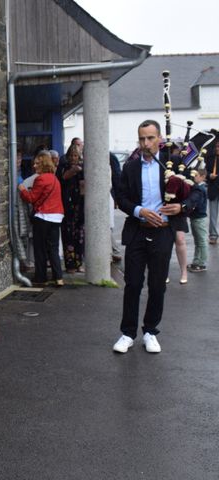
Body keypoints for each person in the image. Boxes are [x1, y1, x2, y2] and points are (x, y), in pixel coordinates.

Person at [112, 120, 184, 355]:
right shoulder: (131, 168)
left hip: (163, 232)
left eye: (150, 138)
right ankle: (127, 333)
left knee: (157, 285)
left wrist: (182, 207)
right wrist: (138, 211)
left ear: (159, 139)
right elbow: (121, 197)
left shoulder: (172, 166)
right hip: (137, 231)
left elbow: (196, 194)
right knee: (132, 283)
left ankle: (150, 331)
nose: (146, 143)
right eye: (142, 138)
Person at [18, 150, 64, 287]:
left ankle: (41, 277)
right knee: (53, 249)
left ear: (43, 164)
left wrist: (22, 189)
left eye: (37, 163)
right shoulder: (55, 178)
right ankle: (59, 277)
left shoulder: (41, 178)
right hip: (56, 217)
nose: (34, 166)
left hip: (43, 217)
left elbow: (31, 198)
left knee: (40, 249)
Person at [60, 144, 85, 273]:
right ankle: (70, 265)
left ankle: (79, 263)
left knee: (80, 235)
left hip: (79, 204)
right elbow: (62, 178)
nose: (73, 158)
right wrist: (73, 170)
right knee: (68, 235)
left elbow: (84, 185)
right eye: (71, 155)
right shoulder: (63, 167)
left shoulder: (83, 168)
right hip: (66, 205)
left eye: (76, 155)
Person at [187, 168, 209, 272]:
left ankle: (202, 263)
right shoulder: (197, 187)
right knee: (197, 241)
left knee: (202, 241)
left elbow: (197, 203)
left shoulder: (201, 189)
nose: (194, 177)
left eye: (196, 175)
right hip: (195, 217)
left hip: (199, 218)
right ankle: (196, 261)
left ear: (203, 177)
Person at [206, 142, 219, 245]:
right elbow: (204, 171)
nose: (217, 148)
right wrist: (209, 175)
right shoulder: (210, 158)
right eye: (217, 146)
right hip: (213, 189)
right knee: (213, 214)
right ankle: (213, 236)